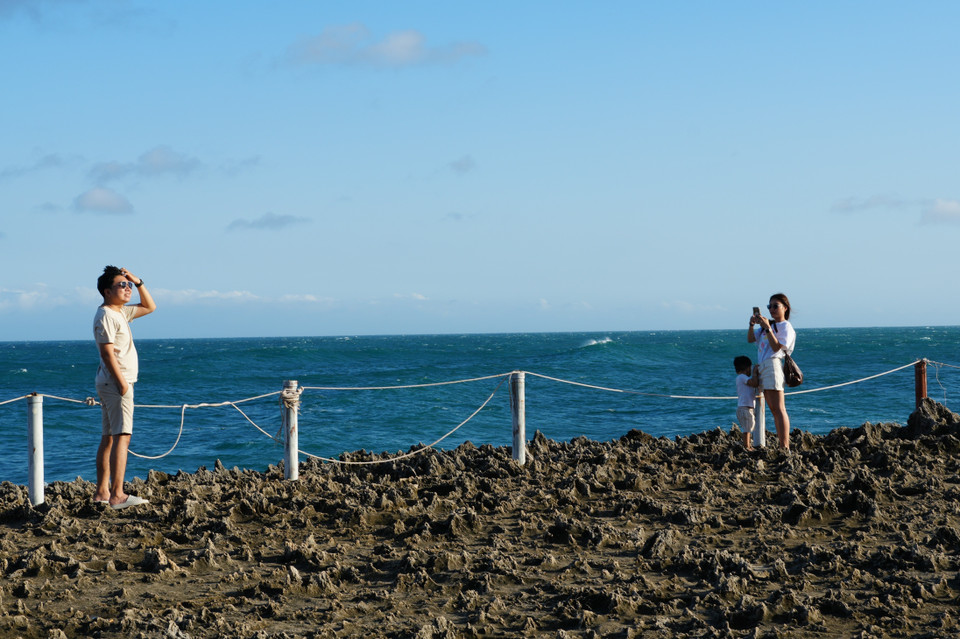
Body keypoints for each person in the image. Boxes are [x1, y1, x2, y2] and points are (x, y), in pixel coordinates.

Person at [93, 266, 156, 509]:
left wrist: (138, 281)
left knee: (109, 437)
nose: (127, 288)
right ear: (107, 291)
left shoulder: (119, 312)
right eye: (122, 284)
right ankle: (117, 494)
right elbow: (107, 353)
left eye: (128, 284)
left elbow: (150, 307)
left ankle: (102, 493)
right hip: (117, 383)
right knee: (122, 437)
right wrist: (122, 384)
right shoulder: (107, 315)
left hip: (111, 382)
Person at [748, 293, 796, 451]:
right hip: (763, 365)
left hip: (773, 364)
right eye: (770, 306)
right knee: (774, 409)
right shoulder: (765, 328)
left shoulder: (785, 326)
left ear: (785, 308)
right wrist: (752, 325)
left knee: (779, 408)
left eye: (776, 306)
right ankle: (782, 445)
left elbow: (777, 348)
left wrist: (768, 328)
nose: (772, 309)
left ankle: (784, 446)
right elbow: (750, 339)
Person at [734, 356, 760, 450]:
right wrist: (755, 374)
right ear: (747, 368)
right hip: (745, 408)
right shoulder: (742, 377)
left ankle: (748, 445)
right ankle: (747, 446)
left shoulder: (741, 377)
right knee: (747, 429)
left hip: (745, 407)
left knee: (748, 427)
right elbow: (754, 383)